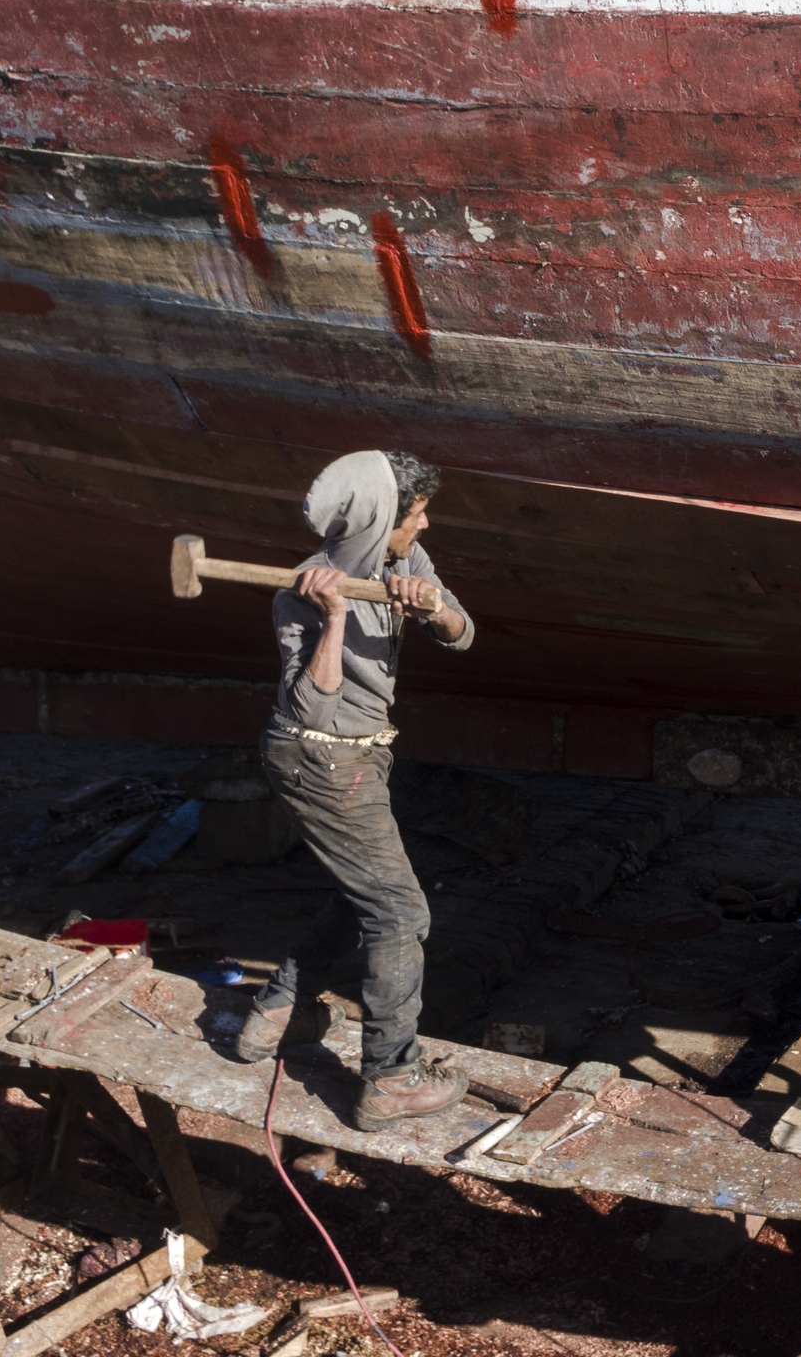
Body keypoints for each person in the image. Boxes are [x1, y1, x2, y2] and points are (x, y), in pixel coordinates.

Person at [228, 449, 476, 1132]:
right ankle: (391, 1078)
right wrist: (334, 617)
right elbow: (314, 703)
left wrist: (430, 610)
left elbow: (463, 633)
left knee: (362, 890)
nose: (424, 527)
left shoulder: (405, 564)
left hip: (359, 756)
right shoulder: (299, 593)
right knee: (400, 914)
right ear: (380, 521)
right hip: (322, 757)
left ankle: (276, 1014)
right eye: (415, 516)